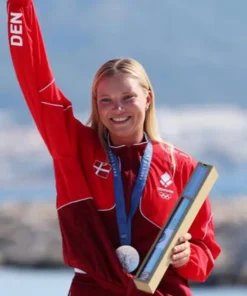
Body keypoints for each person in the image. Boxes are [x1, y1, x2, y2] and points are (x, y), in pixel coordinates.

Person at [7, 1, 221, 295]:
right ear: (95, 105)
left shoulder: (180, 165)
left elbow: (204, 256)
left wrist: (188, 255)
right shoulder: (75, 150)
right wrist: (19, 8)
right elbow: (36, 81)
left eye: (127, 97)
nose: (117, 108)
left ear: (147, 98)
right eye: (105, 100)